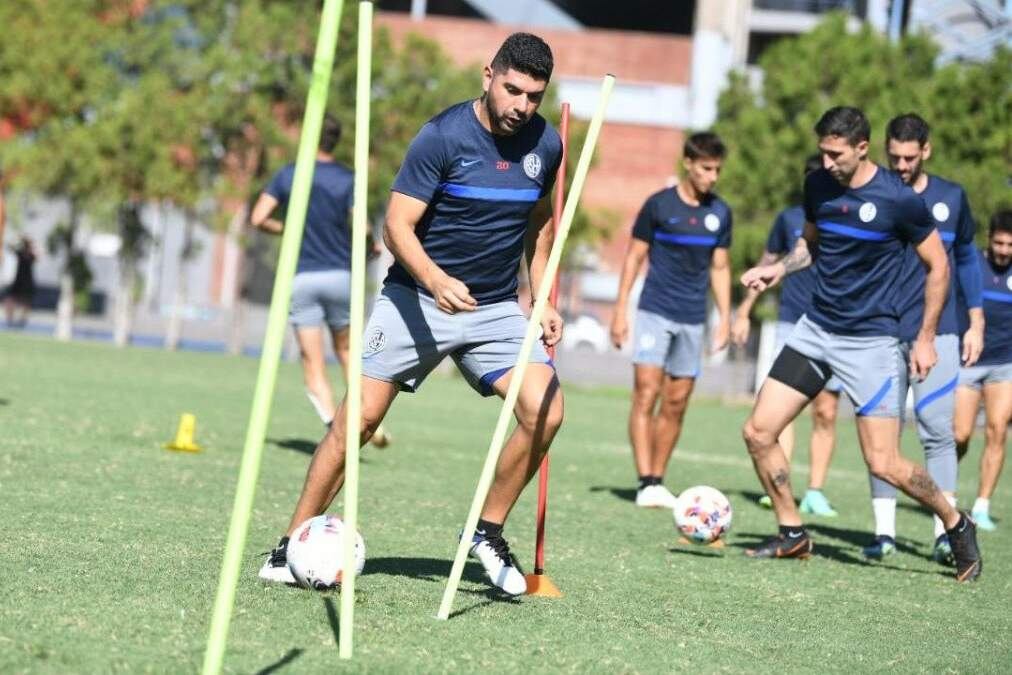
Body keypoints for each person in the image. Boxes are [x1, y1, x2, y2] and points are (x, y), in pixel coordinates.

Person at [259, 33, 565, 596]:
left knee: (546, 410)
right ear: (487, 75)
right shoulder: (442, 137)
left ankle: (486, 533)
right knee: (358, 426)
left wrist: (541, 294)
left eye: (534, 96)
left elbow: (541, 223)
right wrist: (435, 280)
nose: (521, 106)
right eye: (512, 89)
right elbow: (395, 228)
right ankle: (290, 543)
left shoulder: (545, 145)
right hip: (416, 299)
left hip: (495, 308)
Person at [739, 106, 981, 582]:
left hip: (872, 343)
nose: (826, 162)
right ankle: (792, 531)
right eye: (822, 152)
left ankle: (956, 522)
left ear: (862, 147)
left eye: (835, 153)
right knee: (758, 432)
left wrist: (927, 337)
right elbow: (810, 245)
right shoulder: (818, 186)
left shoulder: (899, 201)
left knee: (885, 462)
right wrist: (777, 269)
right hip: (816, 331)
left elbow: (940, 266)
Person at [862, 113, 984, 562]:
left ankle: (944, 535)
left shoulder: (952, 197)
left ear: (926, 151)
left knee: (938, 432)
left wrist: (976, 319)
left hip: (941, 335)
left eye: (909, 158)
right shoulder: (874, 195)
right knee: (883, 435)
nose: (900, 165)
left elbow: (967, 258)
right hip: (881, 333)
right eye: (893, 156)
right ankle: (883, 534)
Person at [251, 114, 390, 447]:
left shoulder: (289, 174)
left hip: (302, 278)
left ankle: (333, 424)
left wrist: (288, 228)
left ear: (308, 137)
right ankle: (366, 418)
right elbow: (362, 227)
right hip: (340, 277)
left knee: (312, 361)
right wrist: (370, 245)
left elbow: (259, 218)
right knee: (347, 351)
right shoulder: (347, 178)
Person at [609, 133, 732, 509]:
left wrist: (724, 318)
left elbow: (721, 266)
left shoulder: (721, 213)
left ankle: (658, 480)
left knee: (677, 402)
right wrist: (619, 310)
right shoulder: (659, 205)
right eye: (707, 169)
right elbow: (633, 257)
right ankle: (645, 480)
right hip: (654, 312)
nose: (712, 177)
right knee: (647, 391)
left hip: (693, 319)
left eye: (717, 170)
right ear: (689, 163)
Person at [732, 155, 841, 517]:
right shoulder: (789, 219)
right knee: (784, 408)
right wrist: (745, 310)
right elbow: (767, 263)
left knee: (826, 410)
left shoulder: (845, 217)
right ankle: (784, 484)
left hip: (831, 323)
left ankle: (816, 491)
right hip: (790, 321)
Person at [953, 209, 1012, 531]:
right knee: (960, 435)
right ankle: (944, 492)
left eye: (1010, 245)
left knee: (997, 428)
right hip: (968, 362)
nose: (1004, 250)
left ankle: (982, 506)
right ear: (989, 239)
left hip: (1004, 364)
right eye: (999, 243)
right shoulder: (971, 263)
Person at [4, 236, 37, 327]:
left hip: (27, 281)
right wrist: (17, 239)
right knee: (10, 300)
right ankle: (10, 319)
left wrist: (32, 245)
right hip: (18, 280)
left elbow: (38, 255)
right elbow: (9, 246)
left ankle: (22, 320)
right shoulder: (20, 252)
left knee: (26, 302)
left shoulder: (31, 254)